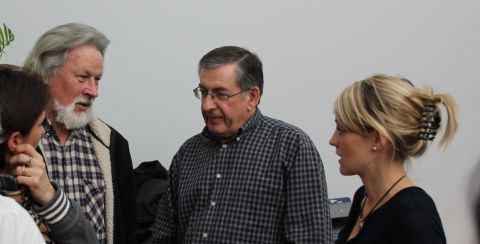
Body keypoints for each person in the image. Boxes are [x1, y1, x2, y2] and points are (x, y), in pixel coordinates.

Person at [153, 46, 332, 243]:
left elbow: (309, 239)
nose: (207, 105)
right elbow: (164, 235)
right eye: (204, 92)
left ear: (252, 97)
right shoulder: (188, 153)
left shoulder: (291, 147)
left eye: (221, 94)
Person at [23, 23, 136, 244]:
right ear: (46, 73)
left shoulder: (113, 145)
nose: (94, 91)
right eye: (82, 77)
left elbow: (128, 233)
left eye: (97, 79)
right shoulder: (16, 139)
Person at [329, 74, 458, 244]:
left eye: (341, 129)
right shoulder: (364, 198)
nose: (333, 141)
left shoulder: (415, 221)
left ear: (377, 139)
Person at [0, 64, 97, 243]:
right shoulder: (10, 216)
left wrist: (50, 196)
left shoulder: (28, 185)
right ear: (14, 141)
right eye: (40, 124)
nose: (43, 132)